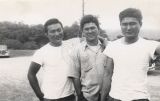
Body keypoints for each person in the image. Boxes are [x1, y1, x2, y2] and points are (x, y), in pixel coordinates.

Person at [103, 8, 160, 101]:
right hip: (115, 97)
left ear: (140, 24)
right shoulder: (112, 46)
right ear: (120, 25)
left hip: (140, 98)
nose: (128, 28)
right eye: (124, 24)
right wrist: (102, 98)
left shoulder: (149, 45)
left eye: (133, 23)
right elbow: (107, 74)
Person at [27, 18, 76, 101]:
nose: (57, 33)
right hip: (49, 97)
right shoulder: (41, 52)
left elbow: (87, 38)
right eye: (52, 31)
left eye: (59, 30)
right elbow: (31, 74)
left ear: (62, 30)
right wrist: (40, 95)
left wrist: (103, 40)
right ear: (47, 34)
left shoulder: (70, 45)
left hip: (69, 96)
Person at [68, 15, 112, 101]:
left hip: (108, 96)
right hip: (88, 97)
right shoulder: (77, 50)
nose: (90, 31)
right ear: (83, 32)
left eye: (93, 28)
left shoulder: (109, 48)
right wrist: (80, 96)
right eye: (86, 29)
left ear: (98, 29)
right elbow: (75, 76)